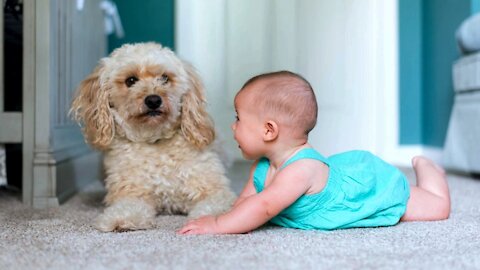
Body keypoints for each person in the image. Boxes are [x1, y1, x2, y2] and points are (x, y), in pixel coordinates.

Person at [177, 71, 451, 234]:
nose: (232, 126)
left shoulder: (300, 170)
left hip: (366, 186)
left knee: (437, 209)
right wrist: (231, 217)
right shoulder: (262, 166)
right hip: (339, 171)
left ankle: (428, 169)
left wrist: (217, 225)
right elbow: (247, 202)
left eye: (239, 119)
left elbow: (263, 206)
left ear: (269, 131)